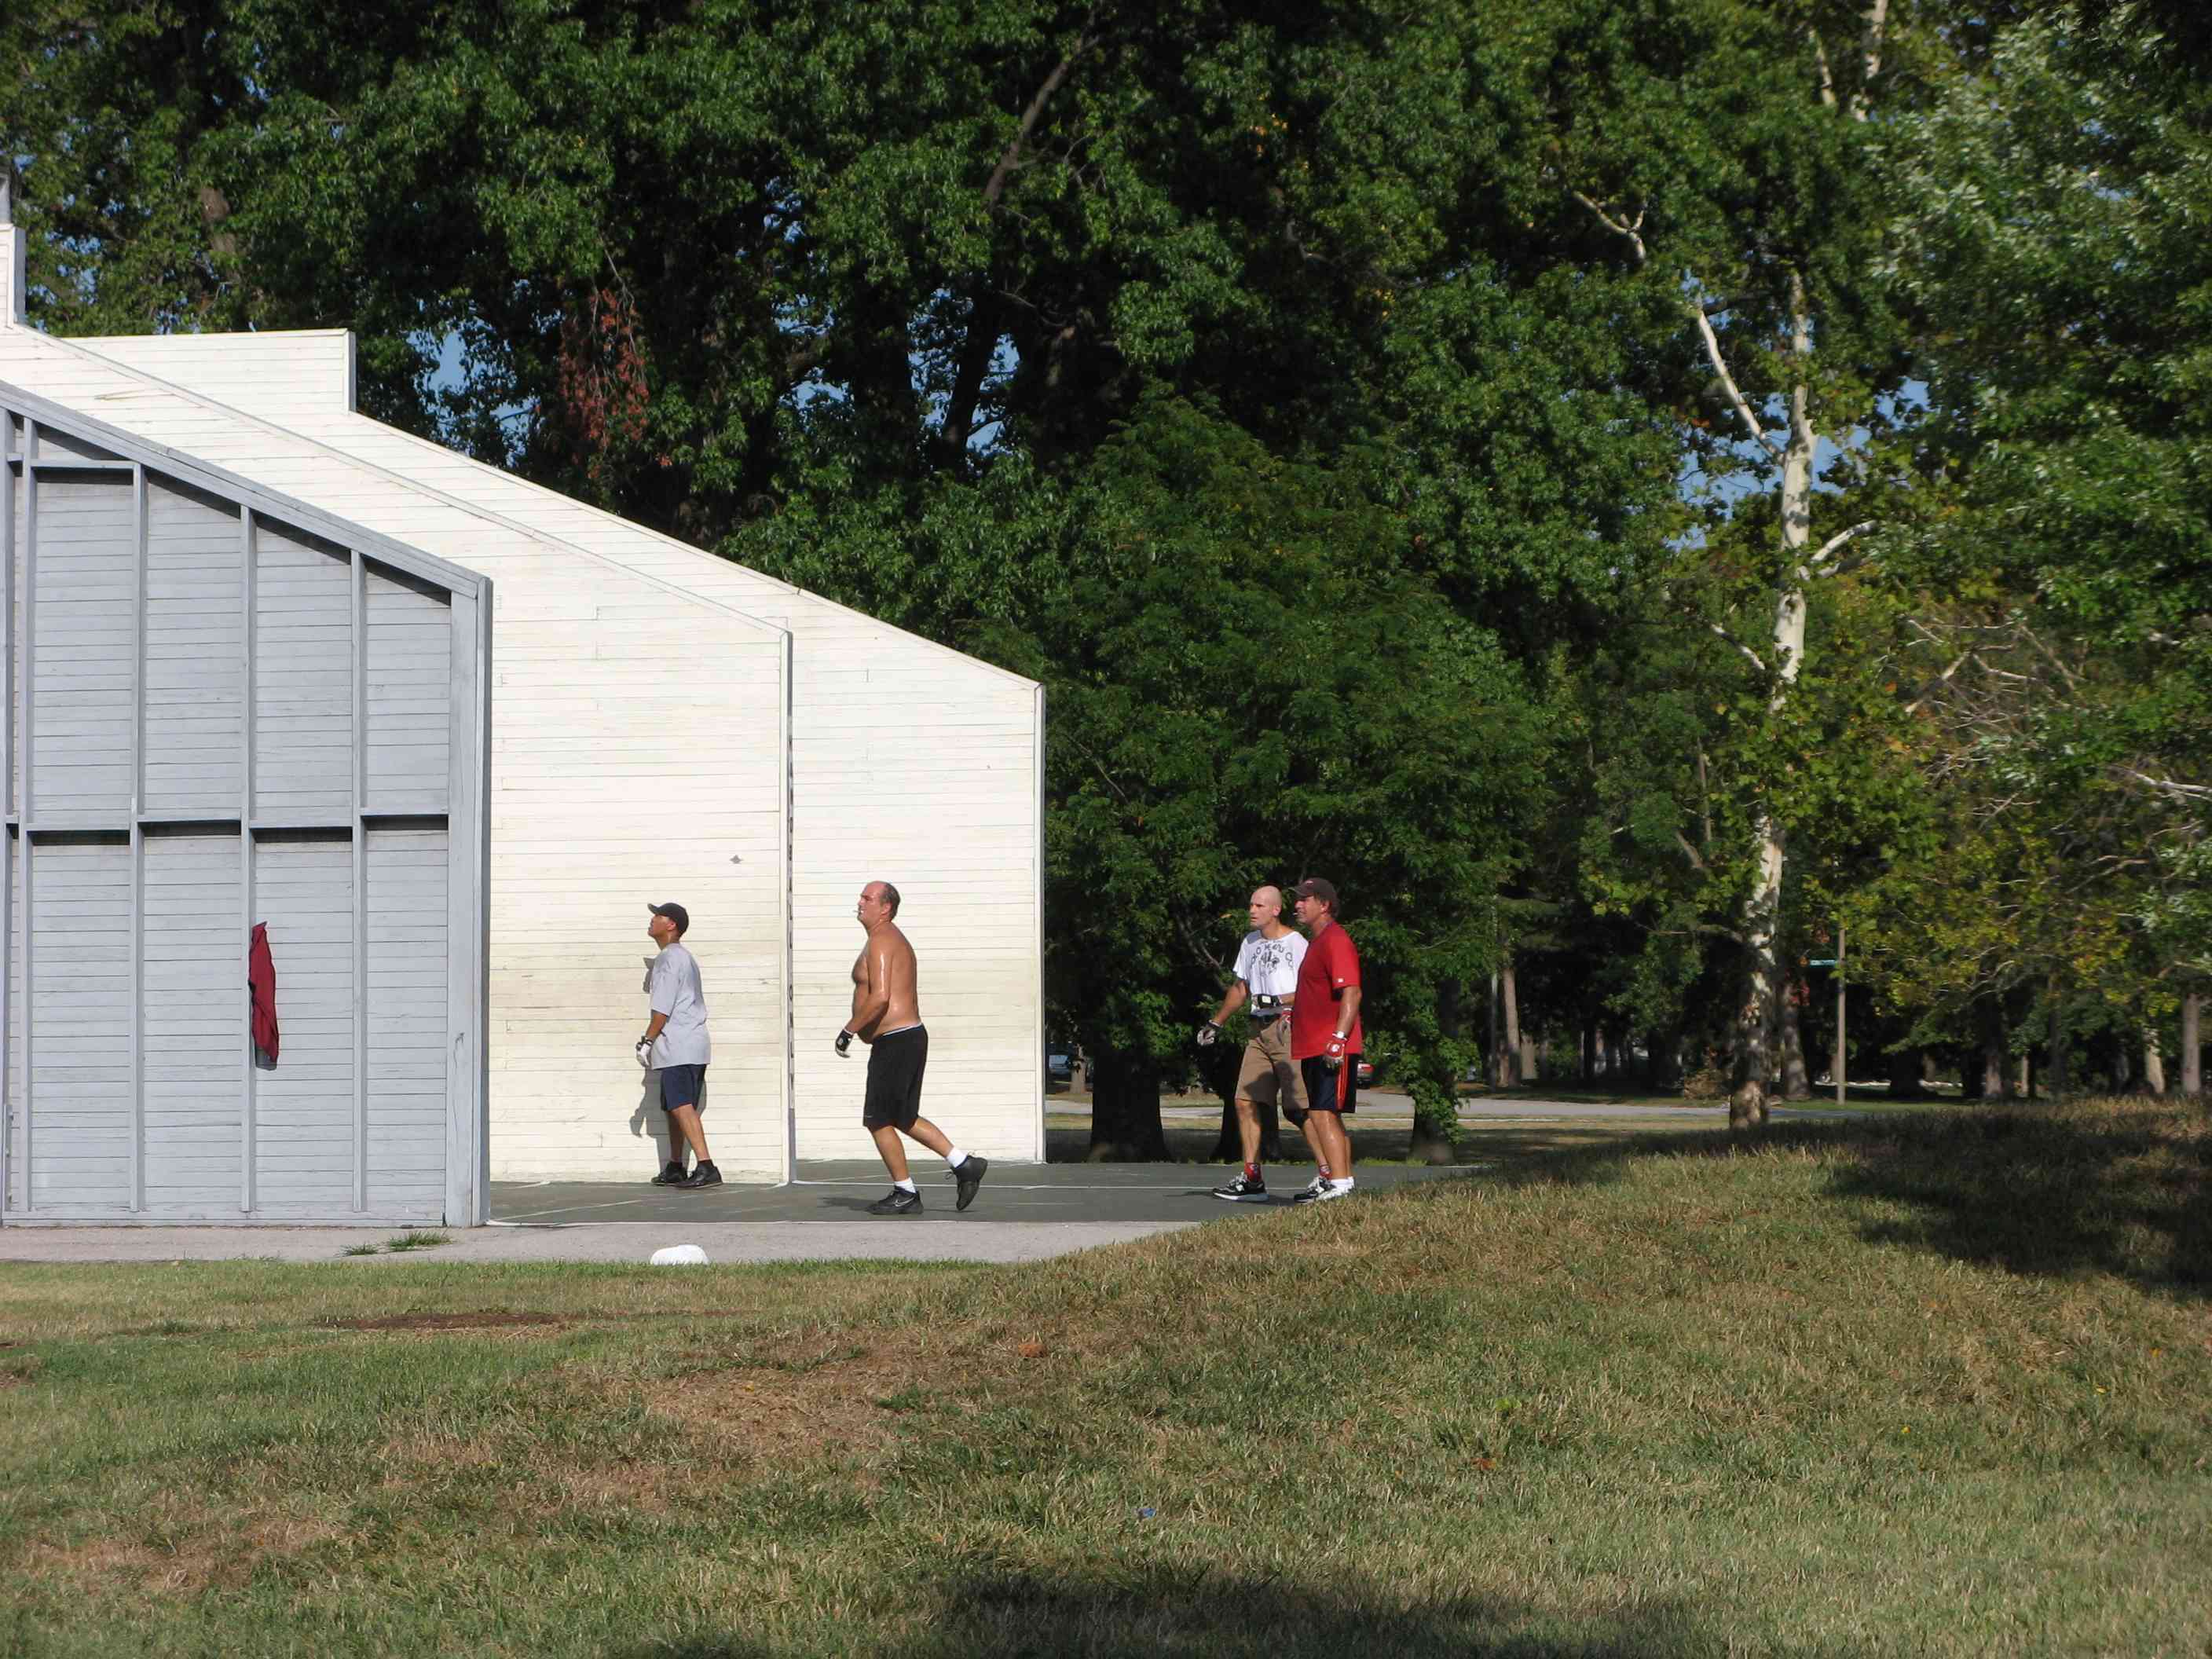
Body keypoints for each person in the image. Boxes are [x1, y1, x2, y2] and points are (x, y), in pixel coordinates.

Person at [837, 881, 987, 1215]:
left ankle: (905, 1192)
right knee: (903, 1117)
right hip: (905, 1038)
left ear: (885, 907)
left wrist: (849, 1030)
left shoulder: (881, 940)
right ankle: (964, 1164)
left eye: (867, 898)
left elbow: (880, 997)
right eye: (861, 896)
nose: (860, 902)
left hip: (898, 1040)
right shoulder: (888, 939)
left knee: (877, 1119)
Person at [1199, 885, 1308, 1201]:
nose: (1252, 910)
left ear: (1276, 910)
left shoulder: (1296, 943)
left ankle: (1331, 1173)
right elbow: (1240, 988)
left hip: (1287, 1028)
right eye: (1251, 905)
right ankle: (1252, 1178)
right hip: (1257, 1031)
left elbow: (1310, 990)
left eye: (1259, 905)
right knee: (1244, 1101)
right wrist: (1216, 1022)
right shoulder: (1250, 943)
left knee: (1298, 1108)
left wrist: (1277, 999)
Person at [1288, 877, 1362, 1203]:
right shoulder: (1316, 943)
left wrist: (1338, 1037)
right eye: (1298, 899)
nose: (1298, 905)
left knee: (1323, 1112)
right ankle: (1337, 1181)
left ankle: (1341, 1183)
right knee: (1324, 1112)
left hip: (1330, 1046)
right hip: (1312, 1044)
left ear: (1325, 905)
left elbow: (1352, 991)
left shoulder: (1336, 939)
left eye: (1306, 899)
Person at [640, 902, 720, 1189]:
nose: (651, 920)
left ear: (671, 924)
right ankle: (675, 1166)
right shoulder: (681, 957)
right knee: (675, 1106)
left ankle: (707, 1167)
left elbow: (662, 1007)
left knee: (681, 1106)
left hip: (679, 1045)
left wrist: (646, 1040)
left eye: (658, 916)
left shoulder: (669, 958)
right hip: (688, 1045)